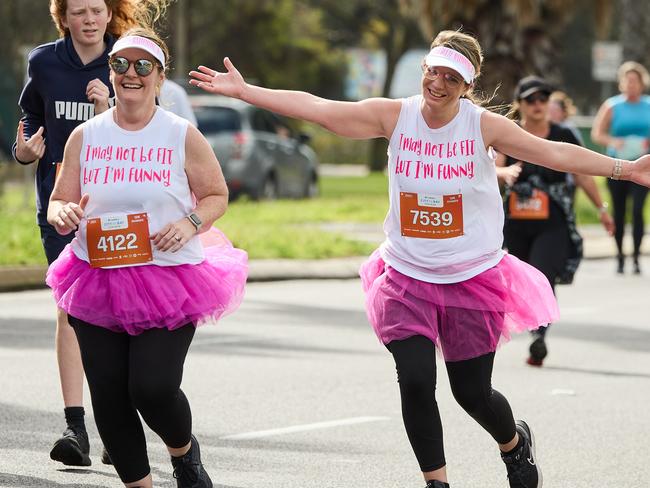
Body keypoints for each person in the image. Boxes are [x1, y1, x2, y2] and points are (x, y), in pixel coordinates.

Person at [190, 29, 650, 488]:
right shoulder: (396, 116)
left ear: (467, 86)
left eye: (452, 78)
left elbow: (553, 153)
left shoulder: (482, 126)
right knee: (414, 380)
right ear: (424, 70)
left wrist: (626, 169)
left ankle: (513, 444)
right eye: (434, 72)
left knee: (471, 393)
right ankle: (437, 483)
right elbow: (323, 110)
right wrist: (248, 92)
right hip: (406, 275)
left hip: (472, 276)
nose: (439, 84)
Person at [46, 28, 247, 488]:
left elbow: (216, 194)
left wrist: (190, 224)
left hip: (168, 278)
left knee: (151, 388)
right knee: (110, 399)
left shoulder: (180, 134)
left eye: (143, 66)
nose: (130, 75)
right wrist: (66, 213)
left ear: (159, 76)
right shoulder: (85, 136)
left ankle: (183, 453)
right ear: (110, 71)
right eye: (121, 65)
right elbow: (59, 202)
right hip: (96, 276)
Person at [12, 0, 170, 467]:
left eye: (96, 10)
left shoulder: (125, 60)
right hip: (63, 211)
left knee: (120, 315)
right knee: (70, 311)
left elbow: (150, 126)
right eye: (78, 11)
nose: (88, 19)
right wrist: (22, 153)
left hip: (121, 213)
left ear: (109, 14)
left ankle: (117, 421)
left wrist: (108, 107)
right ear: (63, 17)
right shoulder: (43, 62)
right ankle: (75, 425)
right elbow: (28, 129)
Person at [496, 76, 614, 367]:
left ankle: (539, 335)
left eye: (543, 99)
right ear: (520, 104)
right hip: (517, 223)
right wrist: (506, 172)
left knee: (543, 274)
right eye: (531, 100)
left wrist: (601, 208)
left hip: (554, 222)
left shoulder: (564, 134)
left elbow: (582, 174)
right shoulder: (508, 133)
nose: (538, 105)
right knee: (524, 279)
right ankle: (537, 328)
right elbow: (493, 169)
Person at [592, 61, 650, 274]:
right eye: (628, 80)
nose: (631, 84)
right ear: (621, 83)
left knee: (637, 211)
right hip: (617, 167)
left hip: (643, 167)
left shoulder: (648, 105)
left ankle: (635, 257)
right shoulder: (612, 105)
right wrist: (613, 142)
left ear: (642, 83)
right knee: (619, 210)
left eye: (636, 80)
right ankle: (619, 256)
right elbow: (597, 133)